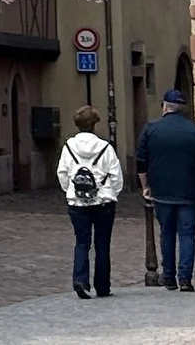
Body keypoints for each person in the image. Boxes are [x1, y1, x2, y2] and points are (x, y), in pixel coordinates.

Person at [135, 87, 195, 292]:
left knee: (166, 233)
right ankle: (185, 278)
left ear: (165, 107)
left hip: (162, 190)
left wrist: (145, 186)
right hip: (189, 191)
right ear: (182, 110)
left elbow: (141, 162)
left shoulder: (151, 130)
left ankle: (169, 276)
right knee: (187, 234)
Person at [56, 105, 124, 299]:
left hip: (77, 203)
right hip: (103, 202)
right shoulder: (105, 147)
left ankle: (80, 280)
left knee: (81, 242)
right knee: (102, 244)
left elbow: (62, 173)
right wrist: (110, 192)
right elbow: (116, 176)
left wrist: (71, 191)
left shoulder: (69, 147)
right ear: (94, 124)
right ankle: (102, 286)